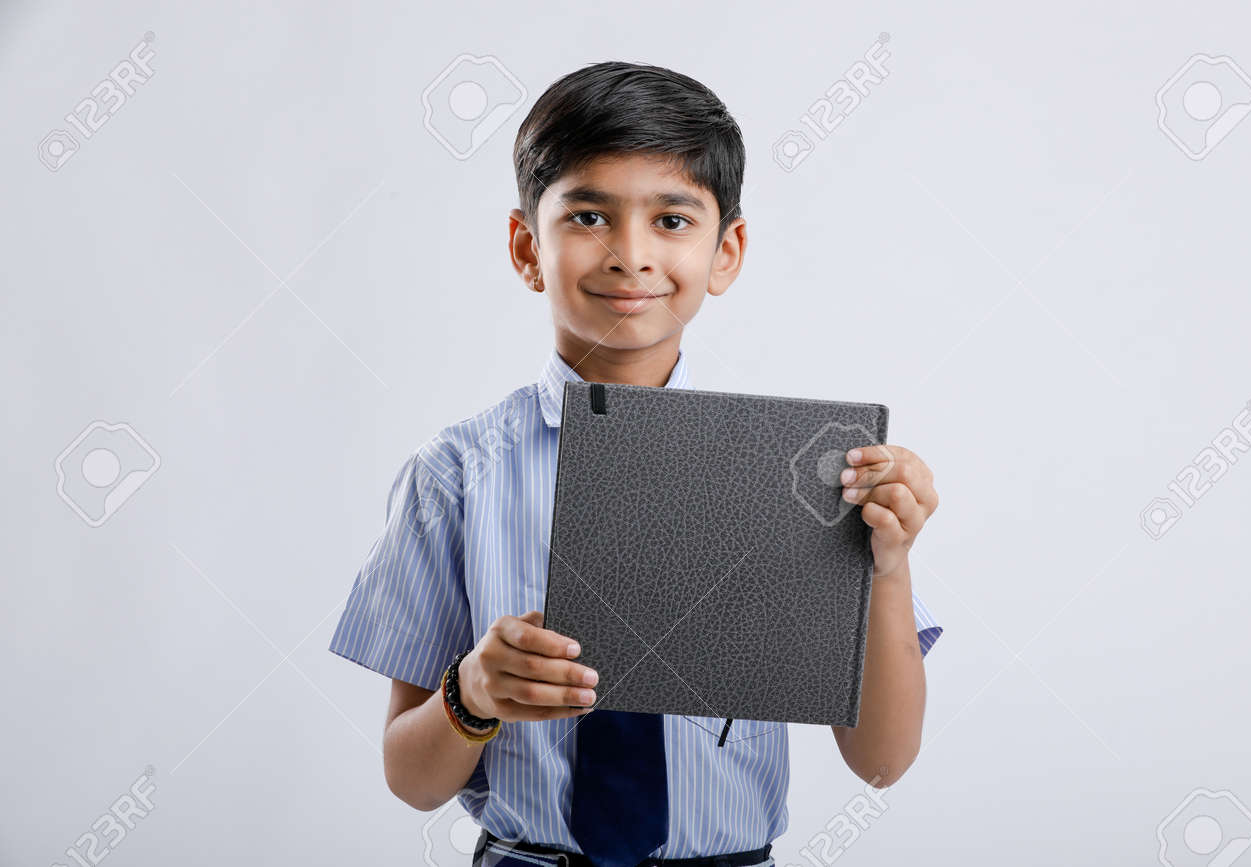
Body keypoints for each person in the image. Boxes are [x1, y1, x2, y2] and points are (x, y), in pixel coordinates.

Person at [328, 60, 944, 867]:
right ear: (526, 247)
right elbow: (411, 778)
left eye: (673, 220)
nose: (630, 254)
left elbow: (883, 761)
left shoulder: (803, 477)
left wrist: (888, 566)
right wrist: (472, 692)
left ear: (728, 252)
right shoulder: (456, 475)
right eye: (588, 215)